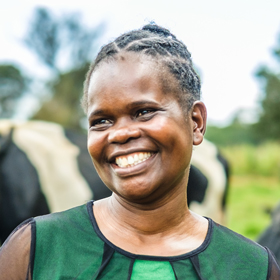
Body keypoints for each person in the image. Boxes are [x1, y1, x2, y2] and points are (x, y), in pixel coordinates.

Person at [0, 24, 279, 280]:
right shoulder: (36, 248)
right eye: (101, 121)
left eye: (143, 112)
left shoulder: (251, 267)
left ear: (195, 122)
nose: (120, 133)